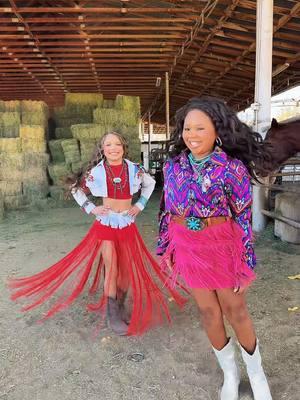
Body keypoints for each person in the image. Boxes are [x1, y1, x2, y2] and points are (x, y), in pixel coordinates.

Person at [9, 132, 186, 336]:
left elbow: (150, 184)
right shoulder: (97, 172)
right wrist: (91, 208)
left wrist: (140, 204)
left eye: (117, 144)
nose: (113, 148)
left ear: (123, 147)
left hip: (127, 223)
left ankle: (119, 305)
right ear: (102, 149)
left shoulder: (134, 169)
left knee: (126, 269)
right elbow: (77, 189)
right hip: (106, 224)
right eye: (108, 144)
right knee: (111, 267)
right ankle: (112, 314)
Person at [157, 97, 273, 400]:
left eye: (200, 128)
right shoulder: (172, 167)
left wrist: (246, 263)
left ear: (217, 131)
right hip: (187, 245)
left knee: (236, 310)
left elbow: (243, 216)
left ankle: (257, 375)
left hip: (223, 245)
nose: (191, 134)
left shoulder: (232, 168)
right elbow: (165, 210)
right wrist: (167, 248)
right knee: (208, 313)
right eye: (187, 128)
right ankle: (230, 376)